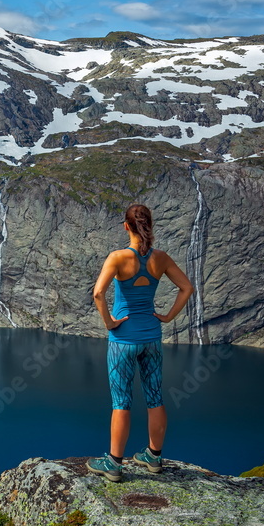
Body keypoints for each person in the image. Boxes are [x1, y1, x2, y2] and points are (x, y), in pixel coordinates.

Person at [86, 203, 194, 482]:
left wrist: (109, 322)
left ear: (126, 226)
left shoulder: (118, 257)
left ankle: (113, 464)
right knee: (155, 396)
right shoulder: (161, 258)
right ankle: (154, 457)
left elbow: (98, 293)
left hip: (123, 339)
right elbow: (187, 288)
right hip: (151, 337)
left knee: (121, 401)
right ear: (150, 225)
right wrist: (168, 317)